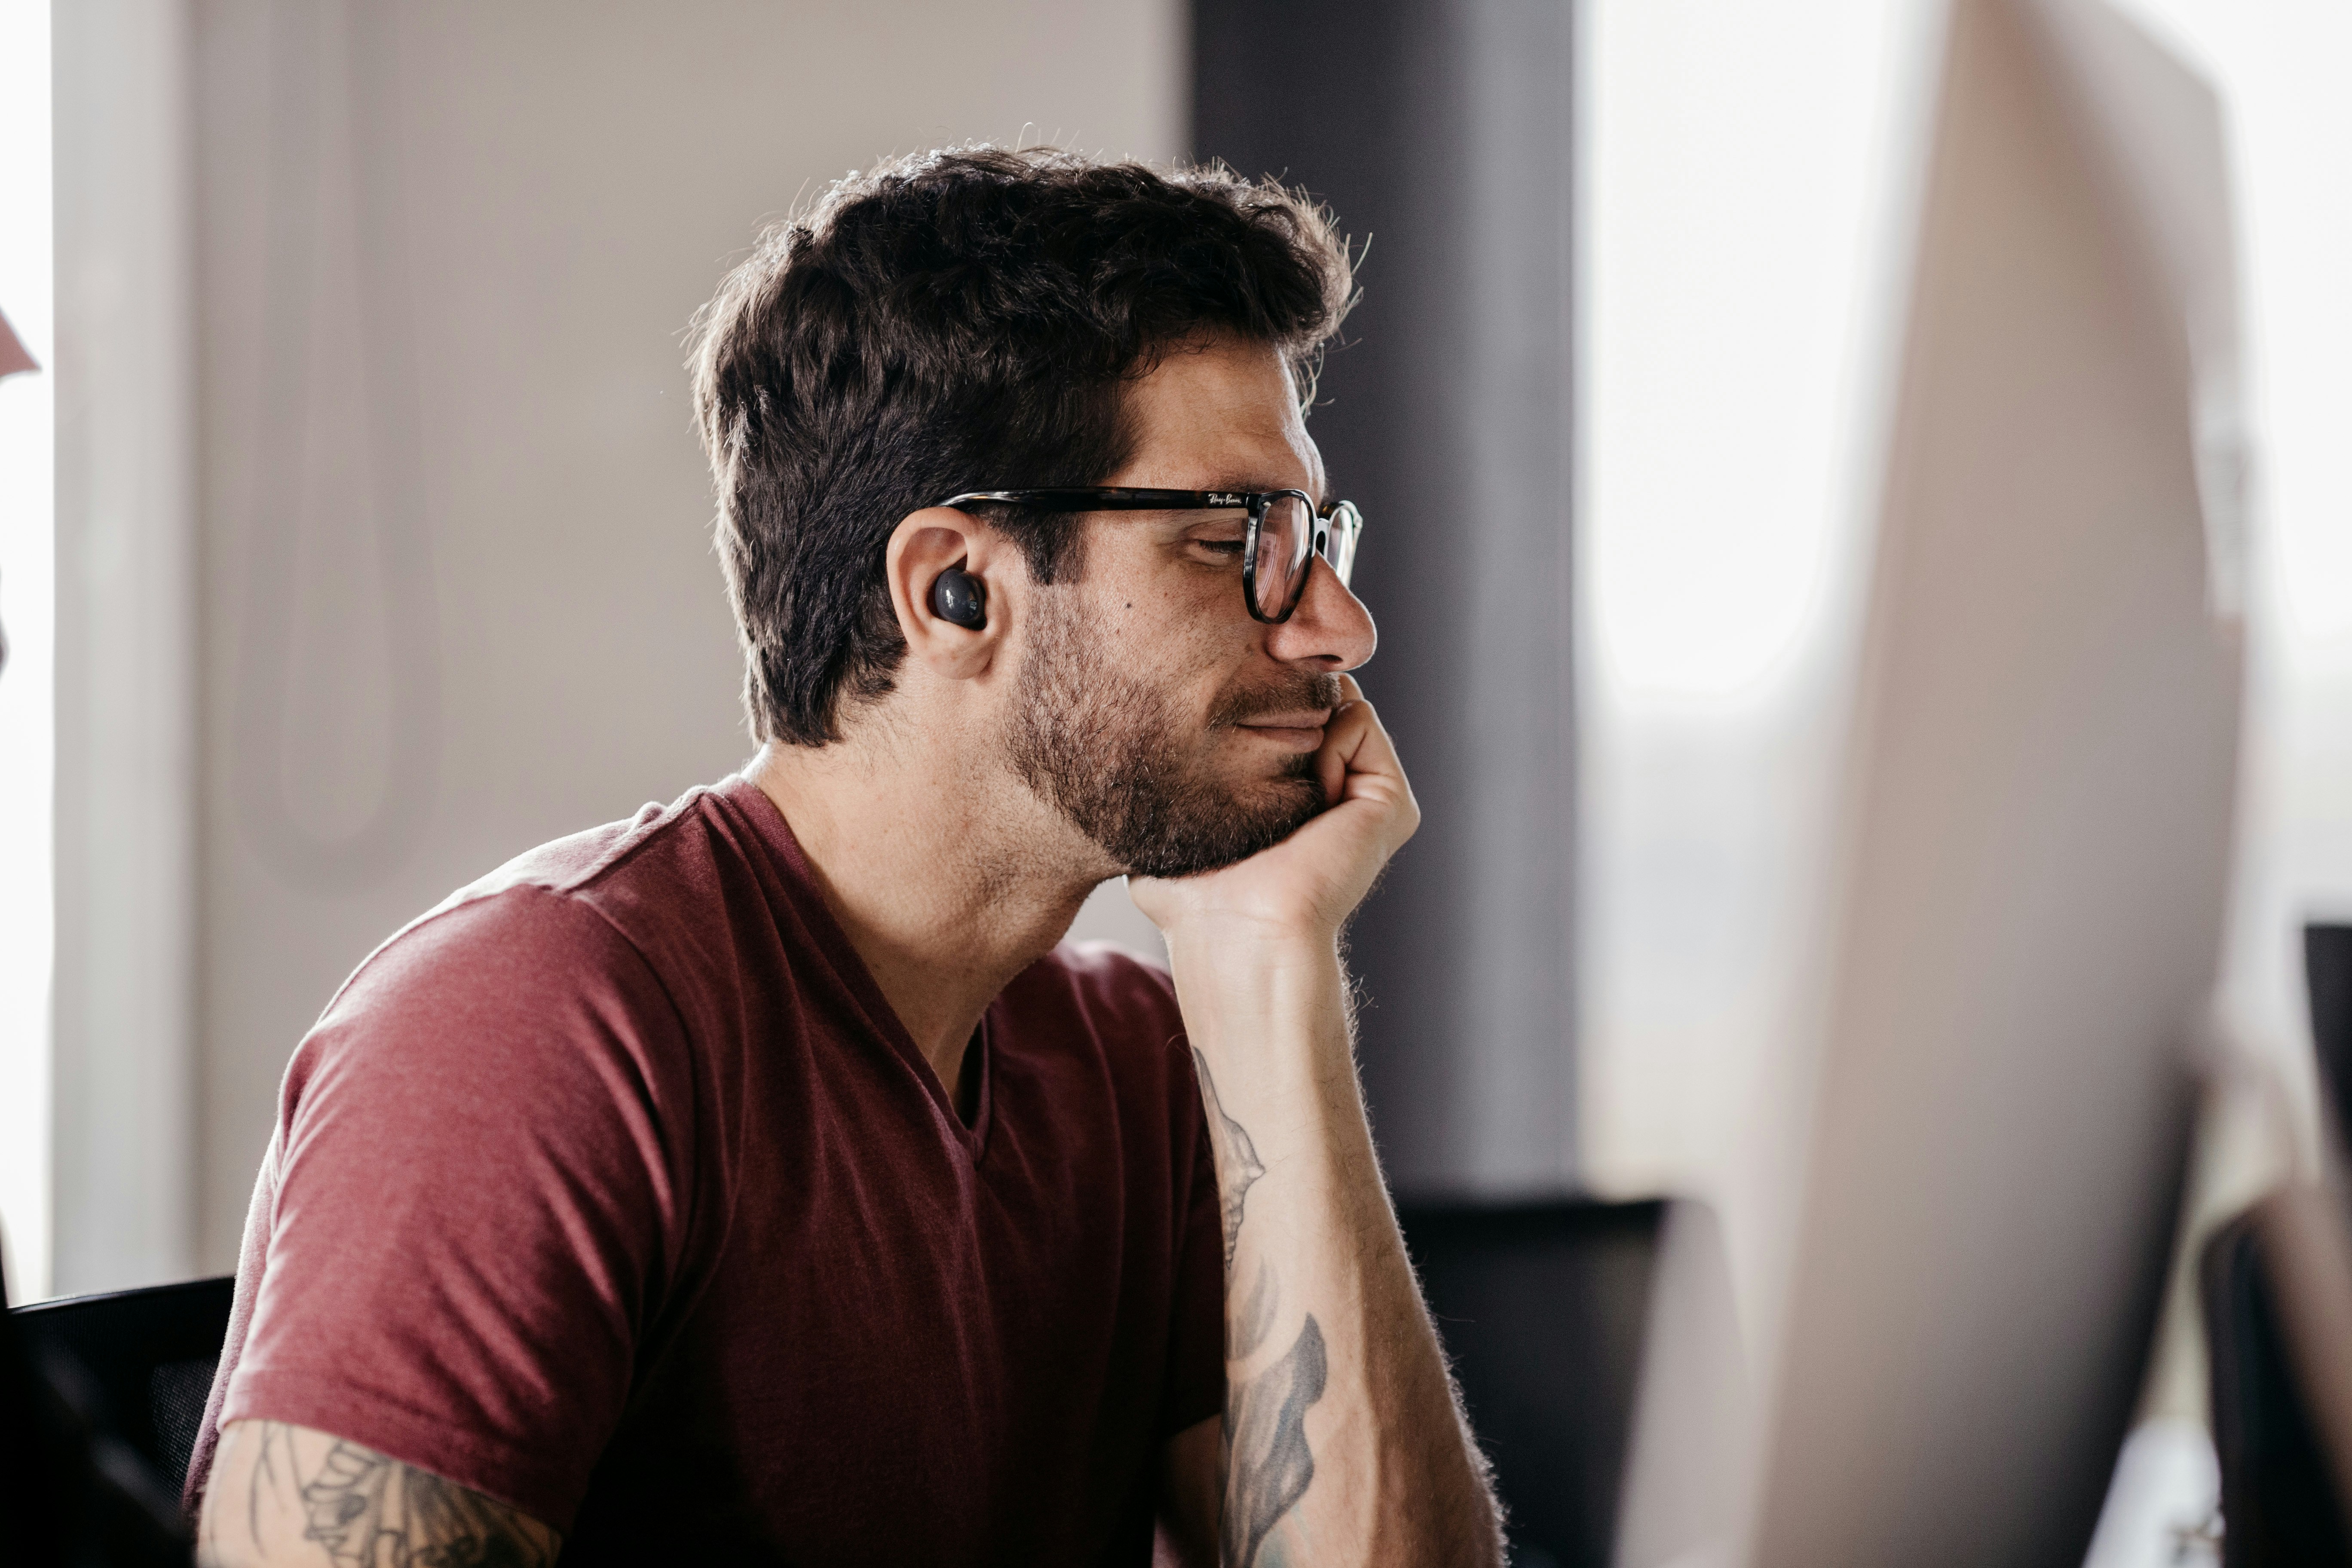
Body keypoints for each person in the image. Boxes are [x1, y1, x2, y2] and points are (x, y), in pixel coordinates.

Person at [189, 146, 1503, 1566]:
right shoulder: (528, 1031)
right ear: (953, 590)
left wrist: (1270, 974)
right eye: (1240, 536)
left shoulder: (1139, 1064)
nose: (1336, 628)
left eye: (1319, 535)